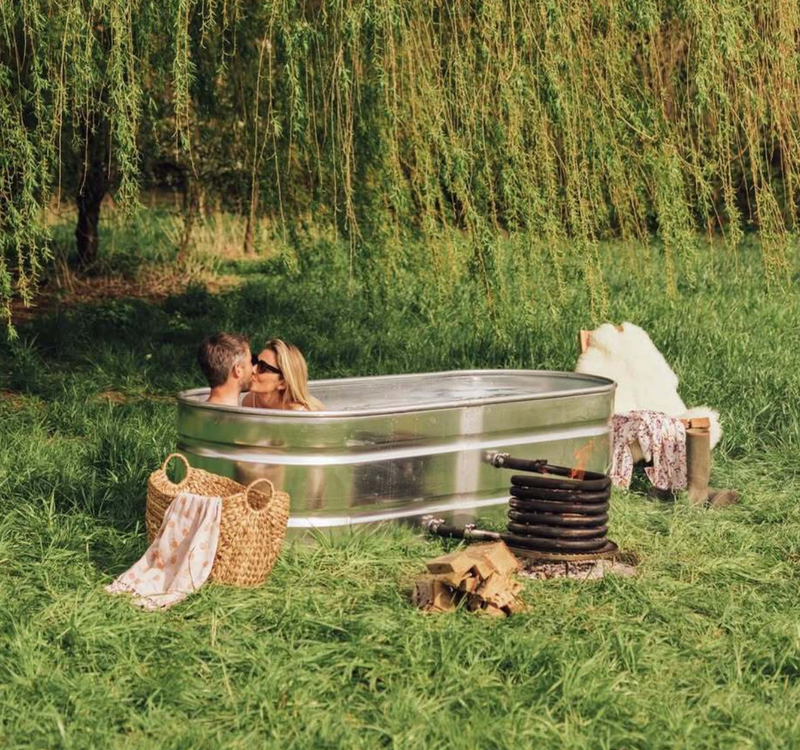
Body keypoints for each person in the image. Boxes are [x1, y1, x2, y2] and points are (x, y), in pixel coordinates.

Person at [242, 339, 323, 411]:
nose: (253, 369)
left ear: (282, 383)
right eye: (254, 361)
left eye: (262, 367)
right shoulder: (250, 402)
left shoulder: (302, 415)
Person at [196, 332, 253, 406]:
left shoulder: (195, 413)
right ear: (238, 369)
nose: (254, 368)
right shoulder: (235, 417)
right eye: (250, 362)